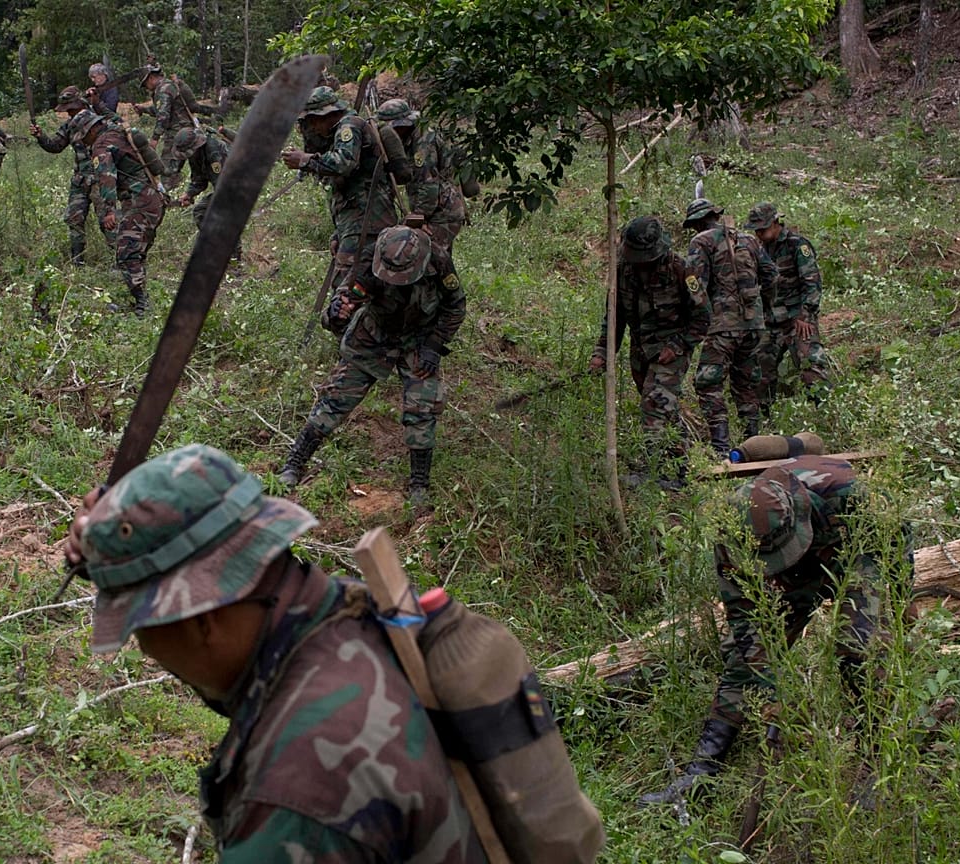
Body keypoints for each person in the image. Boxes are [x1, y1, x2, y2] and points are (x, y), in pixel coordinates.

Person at [65, 443, 488, 861]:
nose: (145, 651)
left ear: (199, 619)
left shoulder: (296, 792)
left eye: (141, 625)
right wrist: (116, 560)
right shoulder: (350, 614)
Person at [640, 455, 906, 807]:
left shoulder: (846, 490)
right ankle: (701, 774)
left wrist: (899, 602)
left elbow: (896, 539)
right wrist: (774, 697)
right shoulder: (731, 533)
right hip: (795, 575)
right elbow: (749, 633)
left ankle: (877, 760)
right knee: (740, 656)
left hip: (855, 553)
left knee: (858, 645)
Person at [280, 220, 465, 507]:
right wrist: (336, 312)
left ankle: (419, 483)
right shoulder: (370, 259)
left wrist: (434, 346)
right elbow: (343, 301)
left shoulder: (438, 259)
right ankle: (295, 462)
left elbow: (455, 306)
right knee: (337, 397)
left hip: (419, 338)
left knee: (422, 406)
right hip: (374, 334)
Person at [589, 216, 711, 487]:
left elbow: (703, 317)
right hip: (641, 349)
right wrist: (602, 353)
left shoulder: (682, 270)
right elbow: (615, 317)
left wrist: (677, 346)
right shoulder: (623, 270)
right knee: (664, 406)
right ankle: (681, 465)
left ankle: (652, 471)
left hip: (672, 351)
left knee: (654, 403)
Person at [281, 87, 398, 328]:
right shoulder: (345, 127)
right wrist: (339, 232)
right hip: (357, 221)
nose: (312, 129)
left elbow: (345, 163)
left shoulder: (349, 126)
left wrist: (305, 160)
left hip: (366, 221)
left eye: (313, 121)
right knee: (362, 278)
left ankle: (353, 345)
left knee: (349, 282)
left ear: (325, 115)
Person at [682, 198, 777, 455]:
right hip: (753, 325)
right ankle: (754, 445)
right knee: (745, 383)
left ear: (698, 223)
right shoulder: (749, 239)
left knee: (707, 383)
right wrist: (760, 308)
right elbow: (771, 275)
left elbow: (694, 284)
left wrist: (700, 317)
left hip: (722, 326)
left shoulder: (700, 242)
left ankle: (721, 448)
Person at [76, 109, 166, 316]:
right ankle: (139, 297)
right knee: (136, 253)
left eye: (84, 136)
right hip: (154, 199)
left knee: (126, 254)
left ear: (91, 130)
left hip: (139, 202)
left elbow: (107, 178)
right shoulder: (117, 133)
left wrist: (109, 211)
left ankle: (143, 305)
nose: (85, 142)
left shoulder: (101, 145)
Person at [746, 202, 831, 415]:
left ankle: (825, 413)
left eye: (762, 229)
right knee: (760, 371)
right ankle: (763, 419)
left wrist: (806, 314)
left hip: (797, 319)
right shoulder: (758, 249)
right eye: (756, 230)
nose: (759, 233)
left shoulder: (797, 245)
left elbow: (811, 282)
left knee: (811, 365)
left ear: (776, 223)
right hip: (771, 319)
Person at [32, 87, 118, 264]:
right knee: (74, 218)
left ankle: (119, 259)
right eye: (68, 110)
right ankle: (78, 261)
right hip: (80, 180)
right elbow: (55, 146)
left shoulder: (98, 123)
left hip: (99, 179)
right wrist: (41, 136)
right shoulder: (69, 126)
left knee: (107, 220)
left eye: (72, 109)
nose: (69, 113)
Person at [376, 99, 466, 252]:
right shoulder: (409, 140)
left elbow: (428, 183)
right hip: (435, 211)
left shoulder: (423, 142)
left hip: (443, 211)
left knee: (431, 257)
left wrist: (418, 217)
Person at [169, 127, 235, 254]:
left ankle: (234, 259)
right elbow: (199, 179)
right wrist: (189, 194)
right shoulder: (196, 154)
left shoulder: (213, 152)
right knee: (200, 212)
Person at [141, 65, 195, 179]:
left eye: (145, 84)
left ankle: (170, 190)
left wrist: (155, 138)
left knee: (167, 170)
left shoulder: (163, 90)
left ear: (151, 78)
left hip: (177, 132)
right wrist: (144, 109)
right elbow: (164, 109)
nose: (146, 87)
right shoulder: (169, 86)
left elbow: (163, 115)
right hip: (185, 129)